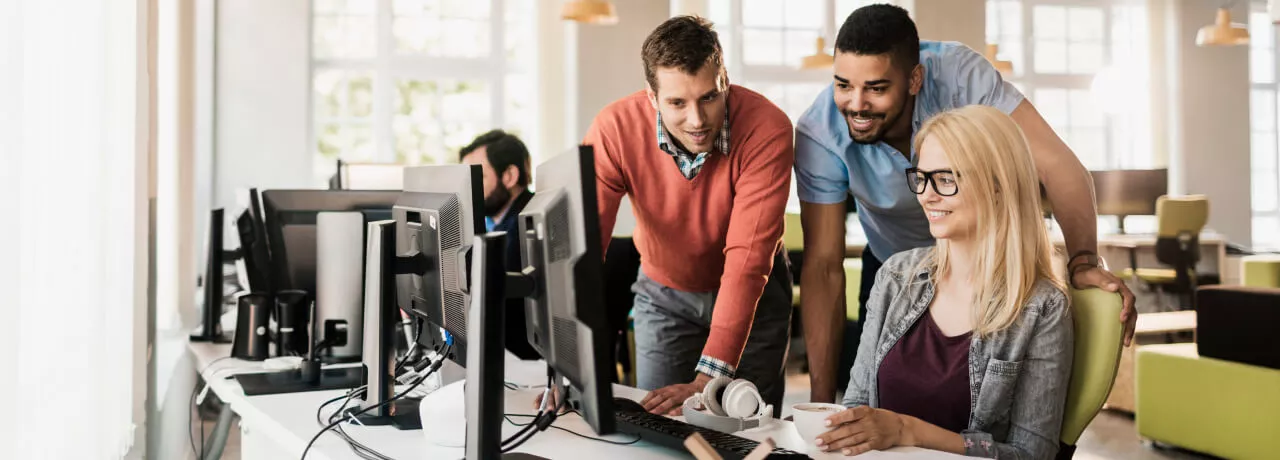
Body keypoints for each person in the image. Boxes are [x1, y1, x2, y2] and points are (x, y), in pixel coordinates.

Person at [795, 4, 1134, 403]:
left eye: (876, 88)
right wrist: (819, 404)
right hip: (895, 269)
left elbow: (1059, 167)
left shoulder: (959, 76)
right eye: (843, 85)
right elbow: (823, 267)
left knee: (983, 407)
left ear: (915, 78)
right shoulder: (820, 131)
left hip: (989, 264)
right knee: (881, 401)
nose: (856, 104)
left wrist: (1082, 262)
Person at [814, 105, 1072, 459]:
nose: (926, 195)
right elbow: (859, 406)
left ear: (999, 187)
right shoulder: (894, 276)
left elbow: (1033, 454)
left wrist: (910, 431)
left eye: (946, 179)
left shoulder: (1042, 307)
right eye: (921, 178)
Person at [584, 16, 795, 415]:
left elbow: (748, 258)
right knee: (659, 427)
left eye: (709, 97)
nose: (697, 120)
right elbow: (583, 249)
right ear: (652, 97)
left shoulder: (768, 128)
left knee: (750, 432)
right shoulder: (614, 129)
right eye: (677, 103)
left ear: (725, 80)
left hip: (756, 298)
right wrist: (564, 368)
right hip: (664, 295)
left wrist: (707, 379)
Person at [459, 129, 539, 360]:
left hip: (520, 360)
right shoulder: (493, 222)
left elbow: (494, 303)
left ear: (510, 176)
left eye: (478, 178)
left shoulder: (525, 227)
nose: (469, 190)